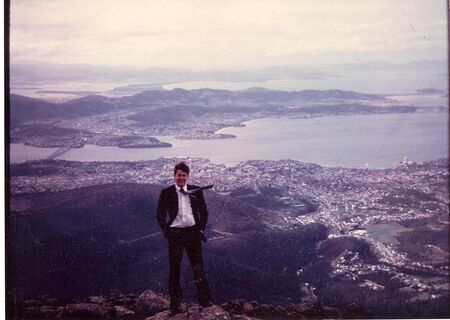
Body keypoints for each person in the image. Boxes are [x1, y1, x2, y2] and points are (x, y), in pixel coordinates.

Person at [156, 161, 211, 315]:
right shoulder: (166, 193)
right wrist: (167, 232)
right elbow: (159, 215)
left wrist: (201, 229)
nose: (181, 178)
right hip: (176, 235)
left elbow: (204, 212)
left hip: (193, 234)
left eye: (184, 175)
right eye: (179, 175)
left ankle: (204, 302)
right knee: (175, 270)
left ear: (187, 176)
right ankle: (174, 305)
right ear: (174, 176)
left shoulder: (196, 191)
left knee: (198, 268)